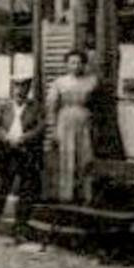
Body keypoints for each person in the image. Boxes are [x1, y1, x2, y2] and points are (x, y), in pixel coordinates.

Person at [0, 69, 45, 244]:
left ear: (29, 88)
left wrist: (24, 138)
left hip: (26, 153)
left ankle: (19, 233)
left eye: (24, 86)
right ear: (13, 88)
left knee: (25, 193)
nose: (20, 90)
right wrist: (6, 138)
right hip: (6, 153)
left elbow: (40, 128)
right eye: (17, 86)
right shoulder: (3, 106)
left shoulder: (36, 107)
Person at [49, 49, 99, 204]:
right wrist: (53, 128)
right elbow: (51, 107)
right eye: (72, 62)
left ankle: (86, 195)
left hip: (84, 120)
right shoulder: (59, 82)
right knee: (67, 156)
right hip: (65, 121)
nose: (75, 65)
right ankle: (66, 195)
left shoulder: (92, 81)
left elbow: (98, 106)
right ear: (66, 64)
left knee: (85, 156)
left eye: (79, 62)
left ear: (84, 64)